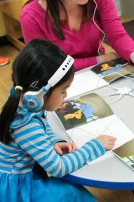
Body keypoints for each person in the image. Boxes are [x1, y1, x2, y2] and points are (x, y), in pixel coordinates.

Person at [0, 39, 116, 201]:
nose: (66, 96)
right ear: (41, 93)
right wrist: (95, 146)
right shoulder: (25, 125)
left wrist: (53, 141)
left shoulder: (23, 97)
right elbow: (58, 168)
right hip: (18, 188)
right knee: (72, 194)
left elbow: (43, 124)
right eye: (63, 91)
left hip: (25, 170)